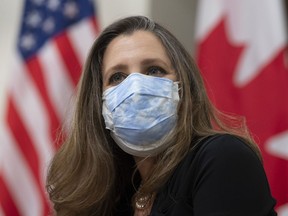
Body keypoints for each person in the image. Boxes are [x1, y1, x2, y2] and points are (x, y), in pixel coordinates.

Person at [46, 16, 277, 216]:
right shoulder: (114, 196)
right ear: (99, 104)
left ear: (182, 88)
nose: (135, 88)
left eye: (154, 70)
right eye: (117, 77)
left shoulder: (222, 158)